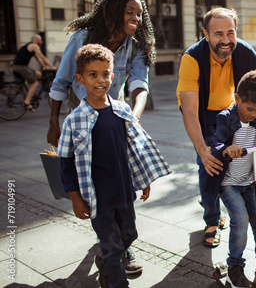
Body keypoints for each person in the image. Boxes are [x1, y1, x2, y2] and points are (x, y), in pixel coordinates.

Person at [57, 44, 171, 288]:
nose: (101, 80)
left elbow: (134, 148)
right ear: (80, 79)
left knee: (129, 235)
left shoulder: (121, 110)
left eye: (106, 74)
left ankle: (107, 261)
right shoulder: (74, 120)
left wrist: (144, 180)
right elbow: (65, 162)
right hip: (97, 196)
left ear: (113, 75)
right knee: (112, 245)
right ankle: (116, 280)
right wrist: (75, 196)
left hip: (123, 190)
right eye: (93, 74)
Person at [176, 7, 256, 248]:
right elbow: (190, 112)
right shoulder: (192, 58)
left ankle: (229, 206)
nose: (225, 40)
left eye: (230, 33)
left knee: (236, 163)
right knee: (209, 166)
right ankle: (212, 220)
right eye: (218, 34)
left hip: (231, 112)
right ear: (206, 34)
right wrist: (203, 150)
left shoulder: (245, 53)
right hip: (204, 114)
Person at [48, 0, 155, 147]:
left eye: (139, 14)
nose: (136, 18)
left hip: (113, 119)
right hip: (80, 119)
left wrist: (134, 118)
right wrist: (53, 122)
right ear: (114, 11)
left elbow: (139, 85)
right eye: (129, 12)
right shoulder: (82, 38)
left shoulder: (137, 48)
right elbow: (61, 82)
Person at [210, 71, 256, 287]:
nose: (254, 114)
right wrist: (227, 149)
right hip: (229, 184)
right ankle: (235, 265)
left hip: (251, 181)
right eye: (250, 108)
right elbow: (216, 144)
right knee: (240, 219)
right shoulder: (225, 117)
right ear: (237, 99)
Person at [12, 34, 56, 111]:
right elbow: (42, 57)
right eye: (40, 40)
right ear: (36, 40)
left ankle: (32, 92)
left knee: (38, 74)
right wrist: (52, 67)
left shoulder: (31, 46)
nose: (41, 42)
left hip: (21, 67)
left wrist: (44, 66)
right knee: (35, 83)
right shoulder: (34, 45)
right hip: (20, 67)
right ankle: (26, 102)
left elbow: (38, 59)